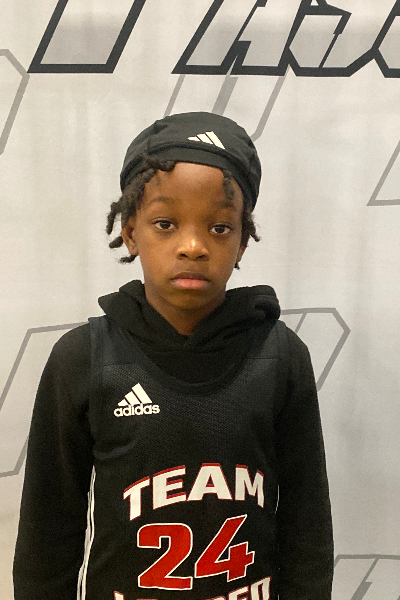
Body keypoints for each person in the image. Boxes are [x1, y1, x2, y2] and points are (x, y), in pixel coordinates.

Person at [13, 112, 333, 600]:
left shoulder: (280, 356)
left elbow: (307, 527)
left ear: (243, 241)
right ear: (130, 231)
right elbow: (47, 538)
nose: (193, 246)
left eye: (219, 227)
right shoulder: (83, 358)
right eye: (165, 223)